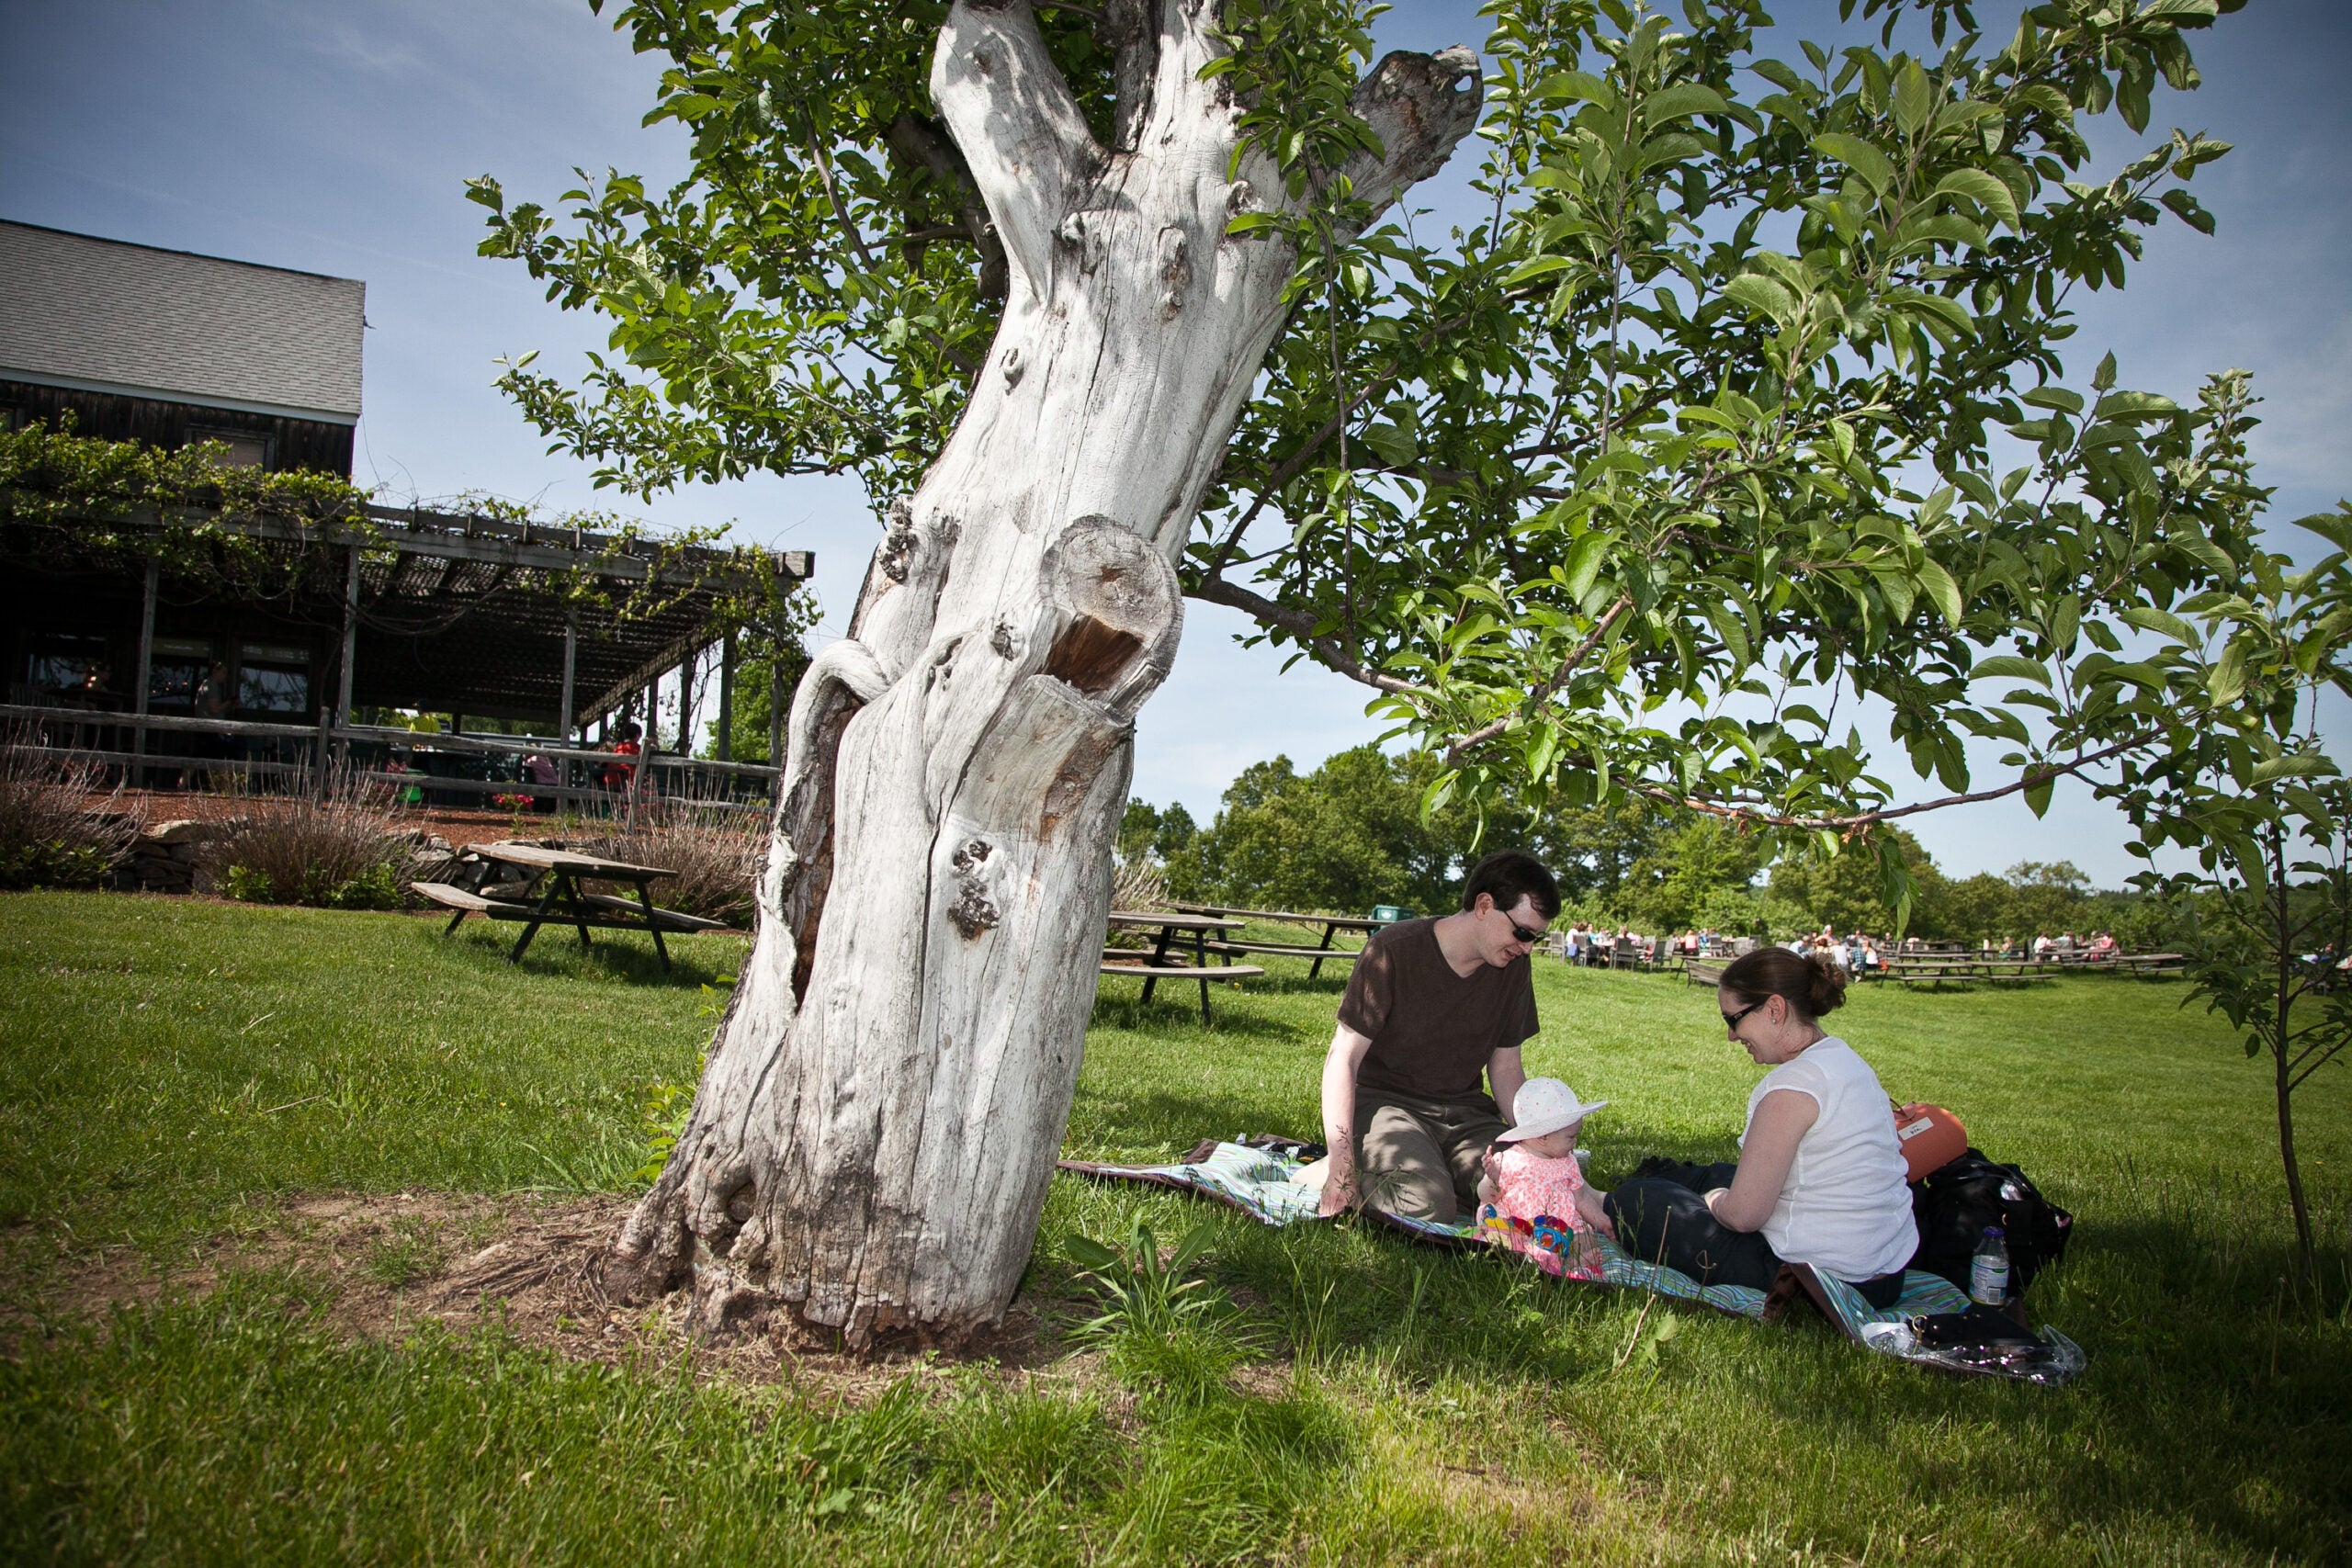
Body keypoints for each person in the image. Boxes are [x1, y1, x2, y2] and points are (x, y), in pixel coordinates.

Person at [1589, 947, 1917, 1308]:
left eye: (1734, 1019)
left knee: (1641, 1200)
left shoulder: (1791, 1089)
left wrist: (1714, 1201)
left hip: (1818, 1279)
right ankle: (1640, 1187)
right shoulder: (1845, 1060)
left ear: (1775, 1010)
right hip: (1885, 1269)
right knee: (1715, 1173)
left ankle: (1605, 1201)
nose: (1731, 1036)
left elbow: (1743, 1217)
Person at [1317, 850, 1560, 1224]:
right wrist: (1340, 1165)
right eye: (1523, 932)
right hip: (1387, 1107)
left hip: (1466, 1116)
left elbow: (1508, 1068)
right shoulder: (1393, 950)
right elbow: (1342, 1059)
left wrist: (1537, 1145)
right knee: (1426, 1204)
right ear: (1484, 905)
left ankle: (1447, 1180)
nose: (1526, 947)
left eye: (1535, 939)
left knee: (1533, 1194)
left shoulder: (1513, 967)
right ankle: (1363, 1174)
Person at [1475, 1077, 1612, 1278]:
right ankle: (1544, 1261)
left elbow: (1581, 1198)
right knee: (1507, 1239)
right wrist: (1492, 1179)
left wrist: (1601, 1220)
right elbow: (1487, 1198)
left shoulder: (1568, 1162)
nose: (1575, 1142)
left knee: (1586, 1238)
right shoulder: (1510, 1160)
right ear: (1543, 1136)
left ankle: (1571, 1261)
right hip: (1524, 1227)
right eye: (1571, 1137)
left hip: (1564, 1227)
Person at [599, 720, 643, 791]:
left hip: (610, 780)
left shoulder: (618, 748)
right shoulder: (638, 749)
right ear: (637, 735)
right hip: (626, 782)